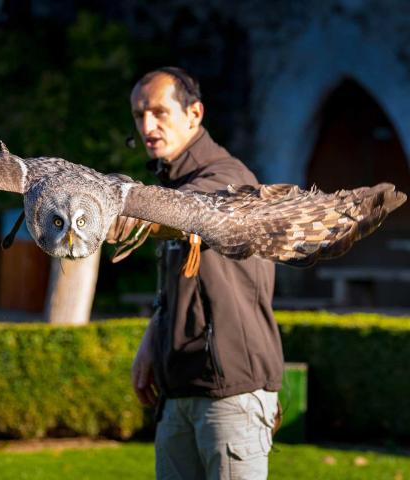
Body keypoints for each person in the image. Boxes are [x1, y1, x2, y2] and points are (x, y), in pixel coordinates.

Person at [122, 67, 284, 480]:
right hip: (179, 389)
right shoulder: (177, 184)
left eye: (159, 112)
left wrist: (106, 213)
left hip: (231, 392)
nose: (147, 126)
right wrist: (151, 339)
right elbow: (183, 286)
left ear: (194, 114)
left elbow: (187, 211)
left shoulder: (228, 181)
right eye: (139, 115)